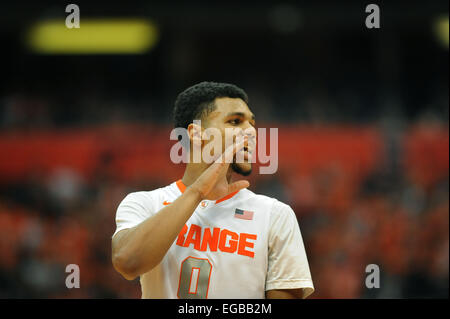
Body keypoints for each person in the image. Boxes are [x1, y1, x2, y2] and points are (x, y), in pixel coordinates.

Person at [111, 81, 314, 299]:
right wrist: (198, 191)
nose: (251, 132)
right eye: (235, 121)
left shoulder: (275, 214)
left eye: (252, 123)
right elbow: (127, 262)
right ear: (196, 134)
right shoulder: (144, 203)